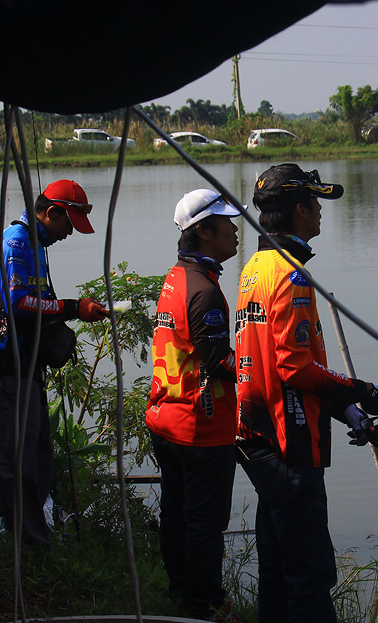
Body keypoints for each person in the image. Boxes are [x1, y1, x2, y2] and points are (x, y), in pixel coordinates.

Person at [234, 163, 378, 622]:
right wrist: (362, 389)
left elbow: (274, 360)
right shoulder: (293, 277)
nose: (321, 213)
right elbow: (295, 367)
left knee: (277, 570)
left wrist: (348, 410)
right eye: (315, 204)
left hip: (257, 439)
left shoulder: (254, 268)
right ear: (299, 211)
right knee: (310, 578)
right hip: (290, 445)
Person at [0, 179, 108, 545]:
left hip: (27, 363)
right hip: (5, 362)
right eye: (68, 224)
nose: (69, 233)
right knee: (16, 456)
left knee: (37, 451)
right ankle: (27, 539)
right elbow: (20, 305)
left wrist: (77, 311)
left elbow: (41, 303)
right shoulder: (16, 244)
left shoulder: (37, 246)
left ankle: (37, 530)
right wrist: (72, 308)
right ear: (51, 212)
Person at [146, 188, 245, 621]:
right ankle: (205, 605)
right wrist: (260, 365)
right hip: (199, 428)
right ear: (204, 231)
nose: (236, 229)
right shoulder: (204, 290)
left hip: (165, 417)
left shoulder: (176, 277)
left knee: (176, 512)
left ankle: (181, 593)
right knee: (205, 523)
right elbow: (217, 360)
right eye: (227, 222)